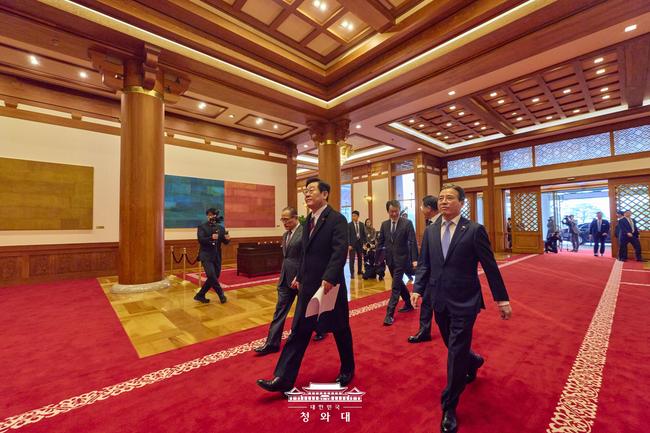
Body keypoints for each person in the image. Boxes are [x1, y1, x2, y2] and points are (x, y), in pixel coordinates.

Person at [412, 184, 511, 433]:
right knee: (451, 343)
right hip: (439, 299)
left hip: (465, 300)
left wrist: (502, 299)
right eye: (441, 198)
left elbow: (489, 266)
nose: (444, 202)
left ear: (462, 203)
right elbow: (424, 264)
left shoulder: (474, 230)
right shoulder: (431, 230)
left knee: (455, 352)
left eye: (449, 198)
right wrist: (417, 289)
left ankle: (449, 405)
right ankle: (474, 360)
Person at [257, 178, 355, 392]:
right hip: (308, 287)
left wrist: (329, 277)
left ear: (325, 194)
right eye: (305, 191)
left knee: (340, 328)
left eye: (311, 190)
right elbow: (304, 254)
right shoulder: (308, 220)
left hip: (329, 287)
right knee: (298, 331)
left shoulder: (337, 219)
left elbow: (339, 251)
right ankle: (283, 378)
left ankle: (348, 368)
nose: (307, 194)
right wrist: (299, 276)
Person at [254, 207, 303, 355]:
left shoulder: (304, 233)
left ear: (295, 218)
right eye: (283, 219)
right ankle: (272, 344)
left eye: (287, 219)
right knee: (280, 311)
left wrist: (299, 276)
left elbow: (307, 257)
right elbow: (287, 258)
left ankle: (320, 329)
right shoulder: (285, 235)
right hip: (285, 279)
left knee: (305, 310)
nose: (284, 222)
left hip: (300, 279)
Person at [377, 200, 418, 326]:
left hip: (402, 259)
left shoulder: (407, 223)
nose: (394, 214)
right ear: (388, 211)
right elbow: (380, 243)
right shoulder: (384, 225)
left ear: (399, 210)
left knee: (395, 286)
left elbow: (412, 241)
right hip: (390, 260)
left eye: (396, 211)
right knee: (399, 282)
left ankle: (389, 314)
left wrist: (414, 259)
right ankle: (408, 303)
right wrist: (378, 259)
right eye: (391, 211)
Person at [408, 194, 440, 344]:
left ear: (428, 208)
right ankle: (424, 331)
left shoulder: (442, 224)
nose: (420, 209)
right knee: (426, 302)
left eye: (421, 206)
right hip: (429, 273)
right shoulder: (430, 225)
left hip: (440, 275)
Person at [194, 208, 230, 303]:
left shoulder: (221, 228)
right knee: (211, 275)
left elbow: (225, 242)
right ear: (207, 216)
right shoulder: (202, 227)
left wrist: (227, 239)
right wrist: (211, 238)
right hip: (206, 255)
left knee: (214, 277)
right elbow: (200, 240)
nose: (211, 216)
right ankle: (221, 294)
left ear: (216, 216)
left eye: (213, 215)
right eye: (209, 215)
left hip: (217, 256)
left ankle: (200, 295)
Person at [348, 210, 367, 277]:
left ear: (358, 216)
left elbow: (364, 234)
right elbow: (348, 235)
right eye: (352, 216)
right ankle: (352, 273)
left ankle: (359, 271)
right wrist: (349, 244)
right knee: (352, 259)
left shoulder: (362, 224)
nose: (353, 217)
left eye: (355, 216)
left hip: (360, 244)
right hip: (352, 245)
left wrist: (365, 243)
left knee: (360, 258)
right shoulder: (349, 225)